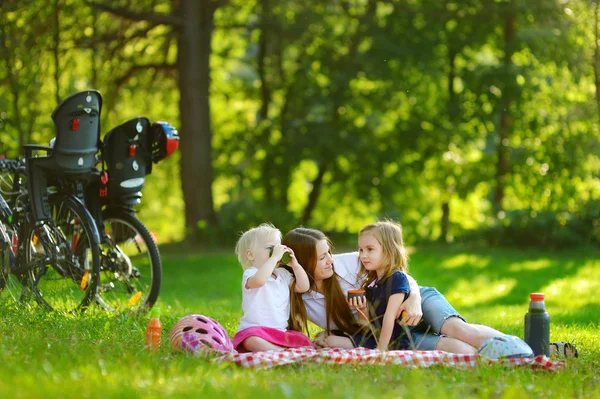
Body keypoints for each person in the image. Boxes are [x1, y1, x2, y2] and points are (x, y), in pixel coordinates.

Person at [284, 226, 505, 353]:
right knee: (450, 345)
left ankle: (520, 350)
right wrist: (332, 335)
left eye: (329, 253)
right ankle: (499, 357)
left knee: (461, 330)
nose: (330, 260)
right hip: (390, 330)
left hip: (411, 298)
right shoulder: (301, 297)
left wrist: (414, 298)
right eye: (322, 257)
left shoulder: (349, 262)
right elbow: (364, 326)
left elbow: (398, 276)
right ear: (303, 263)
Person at [232, 223, 314, 352]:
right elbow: (260, 280)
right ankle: (282, 352)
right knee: (251, 341)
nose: (277, 252)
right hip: (256, 331)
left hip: (279, 332)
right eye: (271, 248)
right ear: (250, 255)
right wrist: (274, 257)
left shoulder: (283, 275)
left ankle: (281, 350)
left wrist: (295, 265)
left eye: (278, 248)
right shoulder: (251, 274)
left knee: (302, 340)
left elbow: (303, 286)